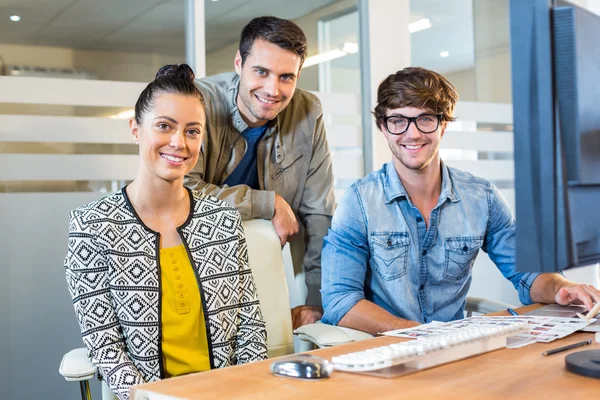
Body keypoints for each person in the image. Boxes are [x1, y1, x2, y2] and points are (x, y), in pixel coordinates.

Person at [321, 67, 600, 335]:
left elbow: (527, 273)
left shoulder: (482, 198)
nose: (413, 133)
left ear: (443, 125)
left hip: (454, 351)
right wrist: (420, 335)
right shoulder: (359, 202)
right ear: (383, 127)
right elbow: (340, 302)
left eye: (426, 119)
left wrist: (561, 287)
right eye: (398, 121)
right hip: (382, 351)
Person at [64, 64, 267, 400]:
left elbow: (250, 330)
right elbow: (106, 348)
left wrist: (247, 390)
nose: (179, 143)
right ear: (135, 129)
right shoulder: (93, 226)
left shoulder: (222, 219)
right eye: (164, 126)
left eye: (192, 131)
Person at [185, 16, 335, 329]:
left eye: (286, 77)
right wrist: (267, 203)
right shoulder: (196, 101)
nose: (272, 89)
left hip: (269, 266)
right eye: (261, 72)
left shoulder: (309, 112)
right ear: (239, 63)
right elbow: (182, 189)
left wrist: (316, 300)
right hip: (195, 265)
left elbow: (319, 213)